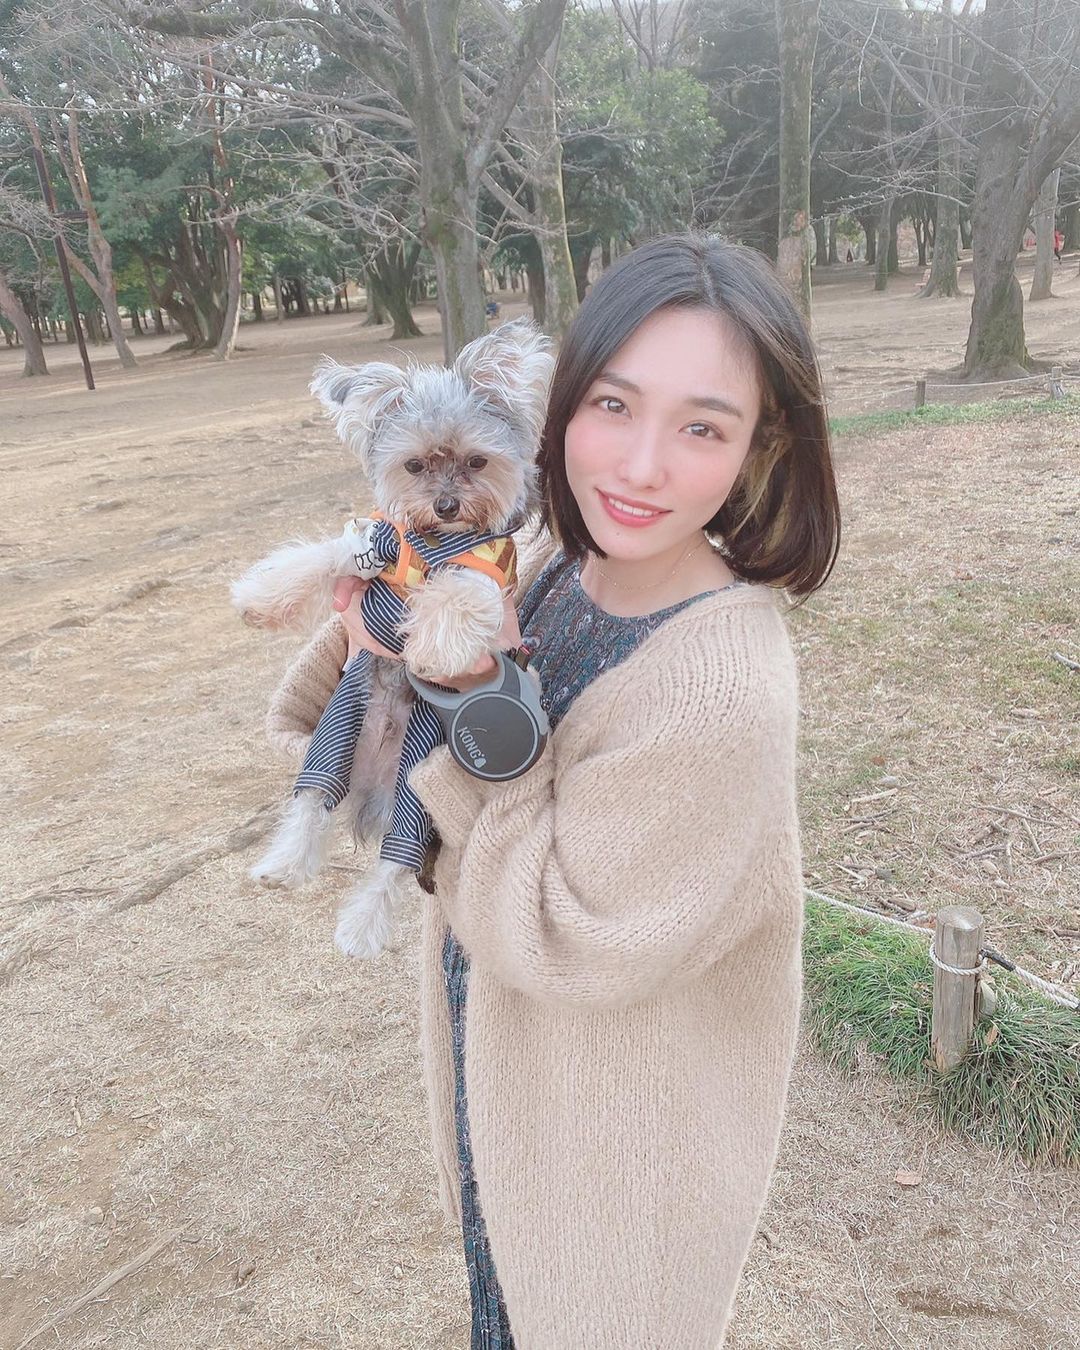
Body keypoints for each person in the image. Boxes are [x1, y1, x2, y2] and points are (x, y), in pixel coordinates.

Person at [266, 233, 841, 1347]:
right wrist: (368, 616)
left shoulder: (719, 685)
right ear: (559, 407)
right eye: (614, 406)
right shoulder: (554, 561)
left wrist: (453, 707)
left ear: (760, 446)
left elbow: (571, 940)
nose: (640, 466)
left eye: (702, 427)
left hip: (613, 1165)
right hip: (508, 1101)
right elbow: (354, 686)